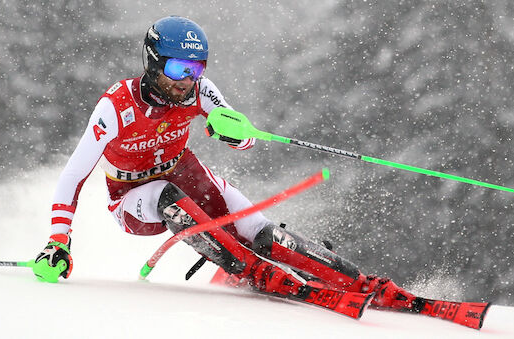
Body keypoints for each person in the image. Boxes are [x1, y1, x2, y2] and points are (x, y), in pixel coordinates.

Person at [32, 15, 416, 311]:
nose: (188, 80)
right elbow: (73, 176)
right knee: (167, 195)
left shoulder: (201, 91)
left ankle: (359, 282)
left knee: (255, 227)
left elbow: (244, 136)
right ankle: (253, 270)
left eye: (196, 68)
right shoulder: (115, 107)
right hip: (131, 197)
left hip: (183, 169)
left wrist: (235, 133)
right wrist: (57, 242)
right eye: (178, 69)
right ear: (153, 62)